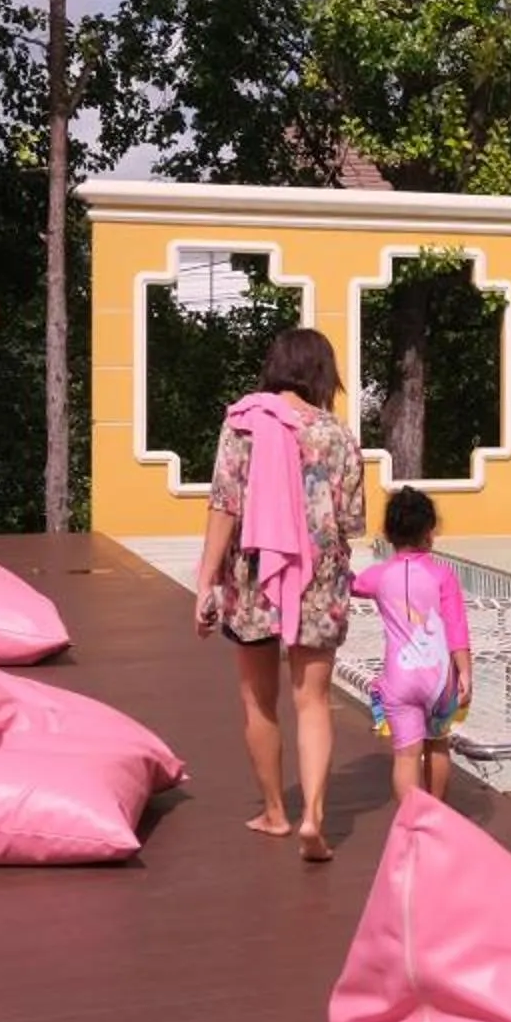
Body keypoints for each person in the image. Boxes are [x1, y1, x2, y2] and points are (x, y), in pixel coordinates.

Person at [193, 327, 364, 864]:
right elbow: (352, 521)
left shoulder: (244, 421)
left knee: (257, 699)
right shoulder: (337, 435)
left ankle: (275, 811)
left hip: (253, 573)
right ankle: (314, 814)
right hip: (320, 577)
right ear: (322, 373)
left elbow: (224, 503)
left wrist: (205, 580)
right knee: (312, 700)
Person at [351, 488, 475, 804]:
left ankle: (412, 826)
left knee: (406, 756)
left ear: (389, 535)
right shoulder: (443, 576)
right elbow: (456, 628)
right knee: (437, 744)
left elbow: (348, 583)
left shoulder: (378, 576)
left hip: (399, 679)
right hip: (439, 680)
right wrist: (465, 674)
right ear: (430, 532)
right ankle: (438, 817)